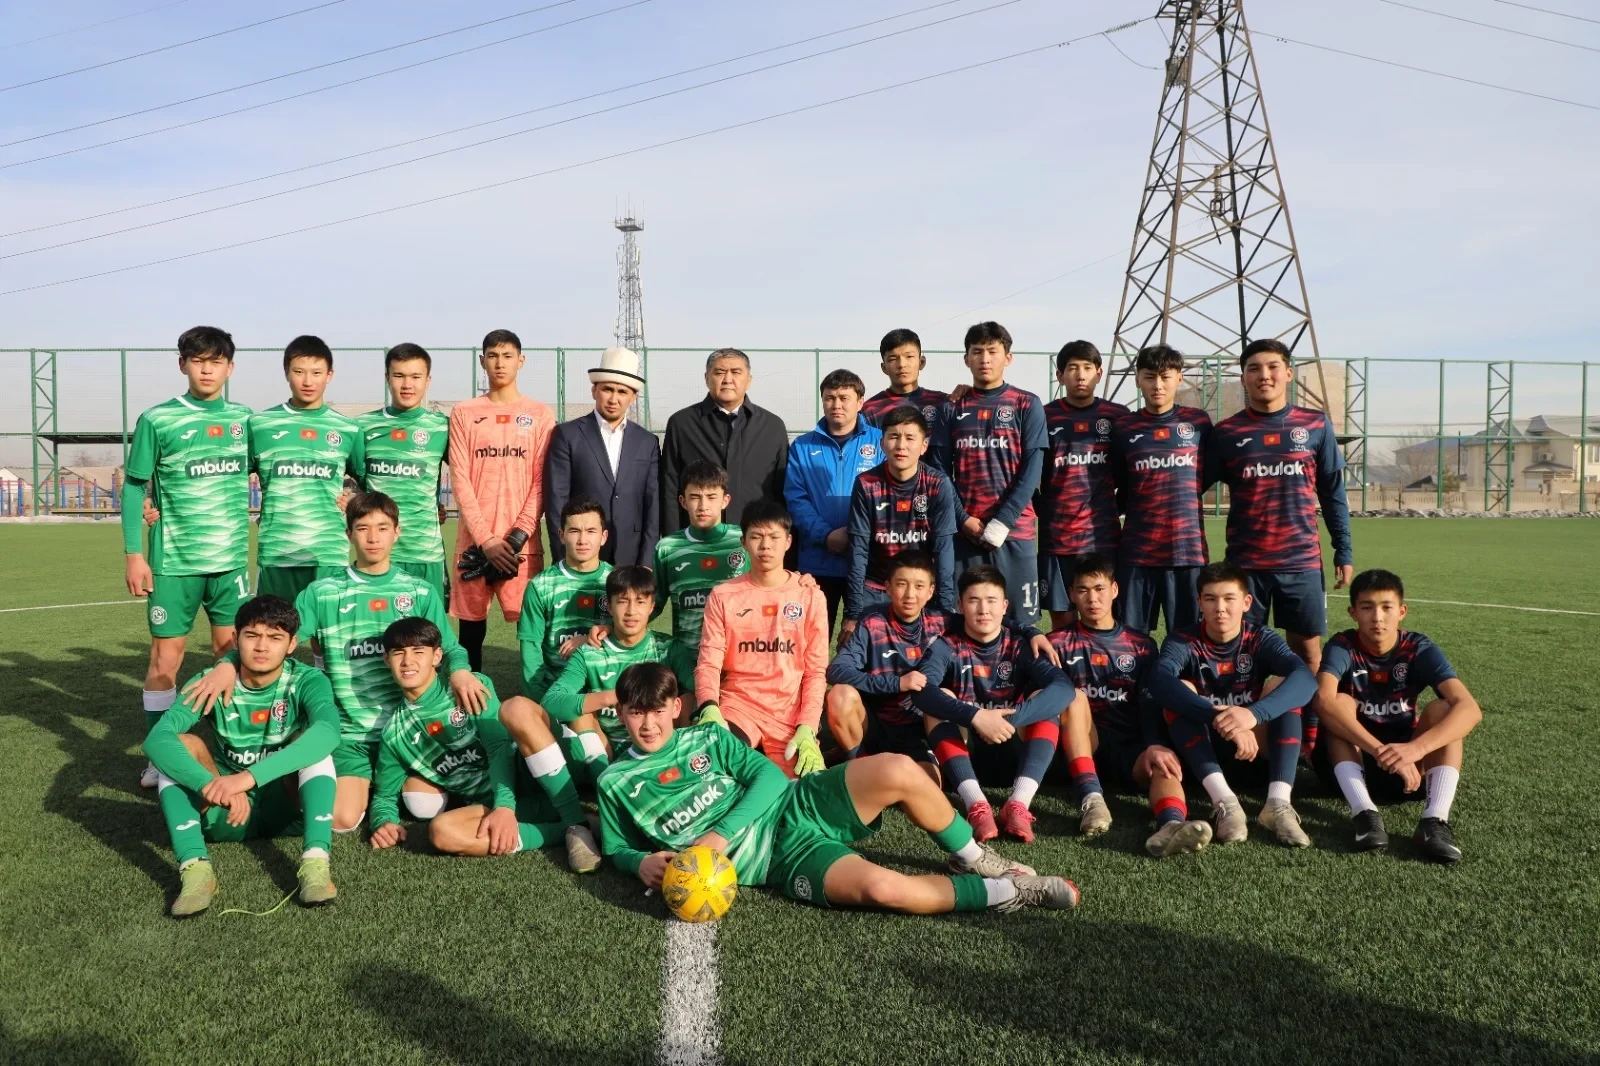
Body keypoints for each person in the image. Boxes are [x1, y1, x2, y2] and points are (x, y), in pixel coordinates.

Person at [597, 663, 1079, 914]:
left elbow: (769, 777)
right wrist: (638, 862)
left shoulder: (706, 736)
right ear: (620, 713)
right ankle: (1007, 892)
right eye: (635, 713)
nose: (648, 724)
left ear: (675, 708)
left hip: (796, 802)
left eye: (656, 711)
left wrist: (719, 834)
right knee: (884, 889)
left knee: (898, 769)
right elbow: (616, 846)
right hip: (779, 860)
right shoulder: (614, 781)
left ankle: (972, 857)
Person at [180, 492, 489, 834]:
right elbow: (278, 635)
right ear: (348, 534)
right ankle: (369, 785)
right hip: (351, 732)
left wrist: (461, 671)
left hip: (410, 726)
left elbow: (449, 647)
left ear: (397, 532)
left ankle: (391, 786)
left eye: (382, 528)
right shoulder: (322, 593)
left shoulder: (419, 592)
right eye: (363, 528)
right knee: (341, 820)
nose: (373, 538)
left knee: (424, 807)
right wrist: (228, 663)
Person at [145, 595, 340, 917]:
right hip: (224, 809)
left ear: (292, 644)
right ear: (236, 639)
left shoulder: (307, 680)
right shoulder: (209, 681)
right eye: (252, 636)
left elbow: (329, 731)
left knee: (313, 744)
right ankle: (196, 871)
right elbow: (158, 739)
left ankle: (315, 864)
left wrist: (246, 779)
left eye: (275, 637)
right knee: (181, 746)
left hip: (284, 808)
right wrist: (210, 785)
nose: (262, 646)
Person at [1208, 338, 1354, 756]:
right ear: (1243, 378)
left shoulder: (1315, 425)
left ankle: (1309, 740)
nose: (1264, 375)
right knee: (1241, 652)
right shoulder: (1227, 432)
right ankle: (1247, 734)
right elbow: (1188, 484)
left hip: (1300, 561)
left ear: (1288, 373)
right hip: (1245, 565)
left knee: (1307, 651)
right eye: (1254, 368)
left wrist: (1343, 550)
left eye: (1272, 367)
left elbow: (1333, 493)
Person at [123, 325, 252, 789]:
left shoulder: (245, 420)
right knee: (165, 660)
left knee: (231, 655)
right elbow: (134, 487)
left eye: (216, 362)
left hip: (230, 563)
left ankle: (232, 751)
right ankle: (160, 757)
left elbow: (278, 469)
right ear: (183, 365)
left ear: (230, 367)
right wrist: (134, 554)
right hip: (173, 563)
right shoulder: (157, 420)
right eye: (198, 361)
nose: (206, 370)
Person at [367, 617, 588, 866]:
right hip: (501, 804)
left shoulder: (470, 687)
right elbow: (384, 797)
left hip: (546, 771)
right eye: (398, 653)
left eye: (418, 652)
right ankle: (575, 830)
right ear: (386, 659)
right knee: (441, 832)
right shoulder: (395, 734)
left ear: (437, 656)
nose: (408, 661)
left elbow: (498, 747)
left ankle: (575, 820)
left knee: (517, 708)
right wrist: (384, 822)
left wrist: (505, 806)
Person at [1312, 570, 1481, 863]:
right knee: (1339, 702)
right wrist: (1380, 751)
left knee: (1444, 709)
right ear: (1353, 613)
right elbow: (1322, 700)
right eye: (1367, 607)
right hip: (1353, 766)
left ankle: (1434, 822)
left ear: (1402, 612)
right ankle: (1365, 814)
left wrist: (1415, 750)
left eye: (1386, 607)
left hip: (1410, 773)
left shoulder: (1418, 647)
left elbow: (1470, 709)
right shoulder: (1342, 646)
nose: (1377, 617)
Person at [1048, 556, 1213, 856]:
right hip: (1080, 745)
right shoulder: (1056, 643)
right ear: (1071, 594)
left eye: (1099, 588)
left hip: (1127, 747)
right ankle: (1091, 799)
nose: (1092, 598)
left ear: (1114, 590)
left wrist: (1153, 744)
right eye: (1083, 590)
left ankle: (1171, 826)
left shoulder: (1141, 646)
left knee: (1163, 764)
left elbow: (1149, 701)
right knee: (1073, 698)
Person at [1144, 562, 1317, 848]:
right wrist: (1219, 718)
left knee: (1282, 685)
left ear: (1246, 602)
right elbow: (1159, 681)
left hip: (1253, 751)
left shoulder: (1260, 638)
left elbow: (1305, 679)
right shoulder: (1183, 640)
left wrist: (1252, 715)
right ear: (1200, 602)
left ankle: (1278, 804)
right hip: (1203, 754)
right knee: (1181, 689)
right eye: (1211, 599)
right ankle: (1225, 803)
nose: (1220, 608)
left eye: (1229, 599)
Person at [911, 565, 1077, 843]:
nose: (983, 610)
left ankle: (1018, 804)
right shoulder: (945, 646)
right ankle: (976, 806)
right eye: (974, 600)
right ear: (960, 605)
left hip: (1015, 749)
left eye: (991, 601)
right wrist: (976, 717)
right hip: (967, 756)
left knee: (1043, 699)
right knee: (940, 698)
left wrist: (1009, 720)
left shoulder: (1022, 645)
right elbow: (921, 693)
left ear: (1004, 606)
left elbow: (1063, 688)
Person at [693, 501, 829, 778]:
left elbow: (815, 672)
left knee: (804, 794)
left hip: (788, 715)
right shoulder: (723, 596)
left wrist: (807, 726)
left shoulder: (810, 596)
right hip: (739, 707)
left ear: (788, 542)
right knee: (714, 773)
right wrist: (709, 707)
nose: (765, 546)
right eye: (756, 537)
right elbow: (708, 663)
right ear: (743, 542)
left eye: (774, 537)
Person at [448, 328, 556, 671]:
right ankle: (470, 695)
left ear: (521, 361)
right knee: (470, 631)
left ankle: (539, 697)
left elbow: (541, 481)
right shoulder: (464, 412)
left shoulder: (540, 414)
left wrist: (516, 537)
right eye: (493, 356)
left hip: (520, 549)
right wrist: (486, 540)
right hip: (474, 547)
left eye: (507, 356)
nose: (500, 363)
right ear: (482, 361)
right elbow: (460, 479)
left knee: (531, 631)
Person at [935, 321, 1047, 627]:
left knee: (1021, 624)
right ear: (966, 359)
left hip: (1014, 531)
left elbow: (1032, 469)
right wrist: (962, 519)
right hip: (965, 533)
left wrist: (1002, 522)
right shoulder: (952, 407)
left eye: (992, 351)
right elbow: (940, 471)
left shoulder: (1027, 404)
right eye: (977, 351)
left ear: (1007, 358)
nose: (985, 359)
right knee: (965, 621)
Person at [541, 565, 697, 774]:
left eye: (640, 602)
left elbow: (701, 689)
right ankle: (603, 779)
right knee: (581, 715)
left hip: (657, 742)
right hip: (607, 749)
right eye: (623, 601)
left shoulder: (669, 649)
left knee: (688, 700)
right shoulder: (589, 653)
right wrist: (615, 696)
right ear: (609, 605)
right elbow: (551, 703)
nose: (631, 611)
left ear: (652, 606)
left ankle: (681, 766)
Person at [250, 335, 364, 615]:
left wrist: (356, 501)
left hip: (328, 554)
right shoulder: (260, 425)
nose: (308, 381)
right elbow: (228, 477)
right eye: (299, 372)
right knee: (273, 630)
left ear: (329, 375)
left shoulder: (348, 429)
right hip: (277, 553)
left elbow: (369, 484)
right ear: (286, 373)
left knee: (327, 632)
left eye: (316, 373)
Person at [1109, 344, 1213, 635]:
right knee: (1131, 639)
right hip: (1137, 553)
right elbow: (1120, 482)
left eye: (1165, 377)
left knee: (1190, 639)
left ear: (1179, 378)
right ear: (1138, 379)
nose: (1158, 385)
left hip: (1187, 552)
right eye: (1149, 376)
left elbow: (1207, 474)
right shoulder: (1124, 427)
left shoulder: (1198, 423)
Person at [824, 552, 948, 781]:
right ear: (888, 588)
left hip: (917, 731)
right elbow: (836, 670)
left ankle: (934, 763)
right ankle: (858, 762)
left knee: (926, 786)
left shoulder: (943, 623)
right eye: (901, 584)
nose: (910, 594)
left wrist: (1022, 629)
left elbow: (985, 624)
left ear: (930, 591)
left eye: (919, 586)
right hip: (874, 725)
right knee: (840, 695)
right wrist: (897, 683)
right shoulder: (872, 623)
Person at [784, 369, 883, 635]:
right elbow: (795, 499)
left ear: (860, 402)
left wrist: (855, 534)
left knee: (862, 641)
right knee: (812, 640)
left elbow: (886, 496)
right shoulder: (802, 446)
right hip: (816, 561)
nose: (836, 405)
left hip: (867, 563)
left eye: (844, 398)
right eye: (829, 398)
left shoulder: (880, 442)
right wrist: (826, 535)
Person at [844, 405, 957, 634]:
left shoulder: (938, 484)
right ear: (882, 443)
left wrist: (945, 611)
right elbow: (858, 550)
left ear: (924, 445)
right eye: (894, 436)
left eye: (910, 438)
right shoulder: (866, 484)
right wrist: (853, 613)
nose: (901, 445)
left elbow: (943, 551)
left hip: (920, 588)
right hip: (877, 587)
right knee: (865, 650)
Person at [543, 347, 660, 567]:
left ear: (633, 397)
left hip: (631, 555)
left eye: (622, 392)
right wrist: (563, 558)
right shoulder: (567, 435)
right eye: (607, 389)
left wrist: (646, 562)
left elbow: (652, 505)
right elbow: (556, 502)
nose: (614, 398)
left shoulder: (647, 441)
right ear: (594, 390)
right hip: (581, 555)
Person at [1038, 341, 1126, 631]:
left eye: (1087, 367)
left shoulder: (1117, 417)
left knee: (1102, 617)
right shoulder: (1044, 416)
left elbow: (1130, 474)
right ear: (1060, 375)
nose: (1080, 375)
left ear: (1099, 374)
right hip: (1057, 540)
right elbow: (1030, 473)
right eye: (1072, 368)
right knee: (1062, 623)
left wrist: (1113, 508)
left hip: (1102, 540)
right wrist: (1046, 511)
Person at [358, 342, 451, 603]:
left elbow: (470, 474)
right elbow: (348, 476)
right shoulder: (363, 426)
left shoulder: (441, 427)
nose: (407, 384)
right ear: (387, 377)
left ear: (427, 380)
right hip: (378, 552)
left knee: (428, 626)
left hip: (425, 552)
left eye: (415, 377)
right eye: (399, 375)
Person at [660, 348, 788, 537]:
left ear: (749, 380)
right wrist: (674, 540)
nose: (728, 379)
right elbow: (670, 486)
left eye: (736, 372)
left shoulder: (772, 426)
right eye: (719, 372)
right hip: (698, 540)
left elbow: (782, 490)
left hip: (755, 539)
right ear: (706, 378)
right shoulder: (682, 424)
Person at [518, 497, 615, 707]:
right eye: (574, 531)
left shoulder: (616, 582)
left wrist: (588, 640)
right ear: (562, 535)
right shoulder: (540, 586)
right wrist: (543, 705)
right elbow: (531, 653)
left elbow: (632, 637)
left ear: (604, 537)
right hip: (555, 693)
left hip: (605, 690)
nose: (582, 540)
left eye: (591, 531)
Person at [651, 460, 750, 658]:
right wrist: (612, 627)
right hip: (689, 659)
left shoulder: (743, 541)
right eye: (695, 497)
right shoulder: (667, 548)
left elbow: (771, 585)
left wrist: (799, 582)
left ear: (725, 500)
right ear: (683, 501)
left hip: (737, 658)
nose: (703, 506)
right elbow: (651, 603)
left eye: (711, 497)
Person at [861, 327, 947, 428]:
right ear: (884, 368)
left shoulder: (943, 403)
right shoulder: (870, 410)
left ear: (921, 362)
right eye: (893, 359)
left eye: (909, 356)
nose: (902, 364)